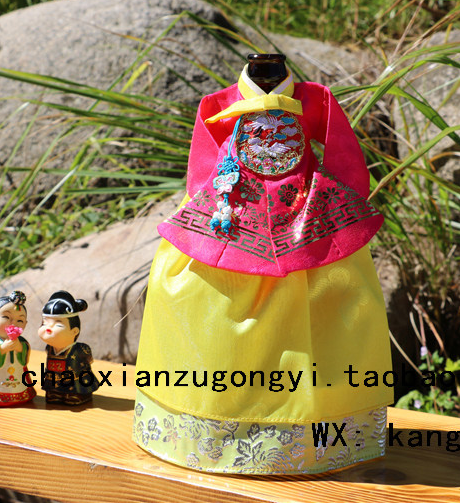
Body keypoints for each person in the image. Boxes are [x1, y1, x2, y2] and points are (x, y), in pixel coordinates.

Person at [133, 54, 393, 474]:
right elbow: (202, 165)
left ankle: (311, 437)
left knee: (319, 304)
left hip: (305, 211)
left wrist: (344, 200)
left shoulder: (315, 98)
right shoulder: (218, 103)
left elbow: (342, 149)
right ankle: (210, 427)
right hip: (232, 209)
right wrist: (206, 204)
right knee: (211, 309)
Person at [38, 290, 99, 405]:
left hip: (75, 378)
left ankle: (76, 394)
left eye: (58, 324)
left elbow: (89, 360)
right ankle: (54, 392)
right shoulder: (49, 348)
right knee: (53, 390)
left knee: (74, 391)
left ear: (74, 331)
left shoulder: (81, 349)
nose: (47, 328)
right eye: (44, 323)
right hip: (54, 377)